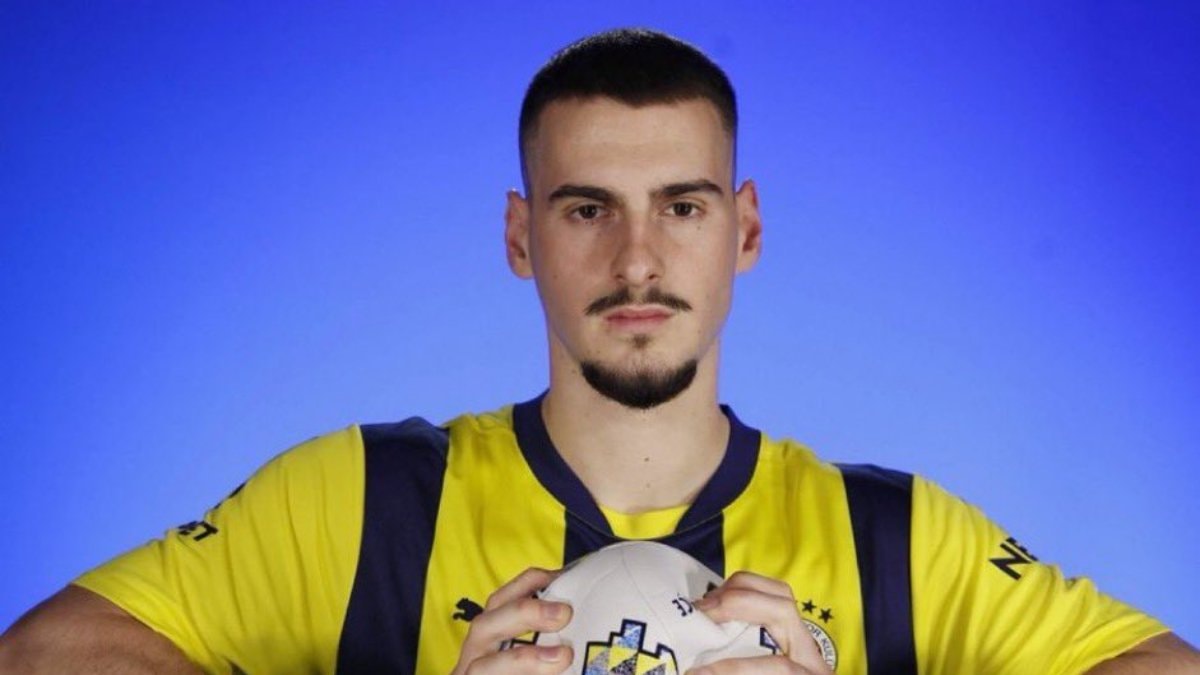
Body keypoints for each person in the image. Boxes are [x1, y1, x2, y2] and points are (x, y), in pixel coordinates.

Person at [1, 27, 1197, 675]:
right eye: (587, 210)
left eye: (682, 206)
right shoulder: (361, 506)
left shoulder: (896, 541)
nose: (637, 260)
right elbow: (45, 658)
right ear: (522, 236)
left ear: (745, 230)